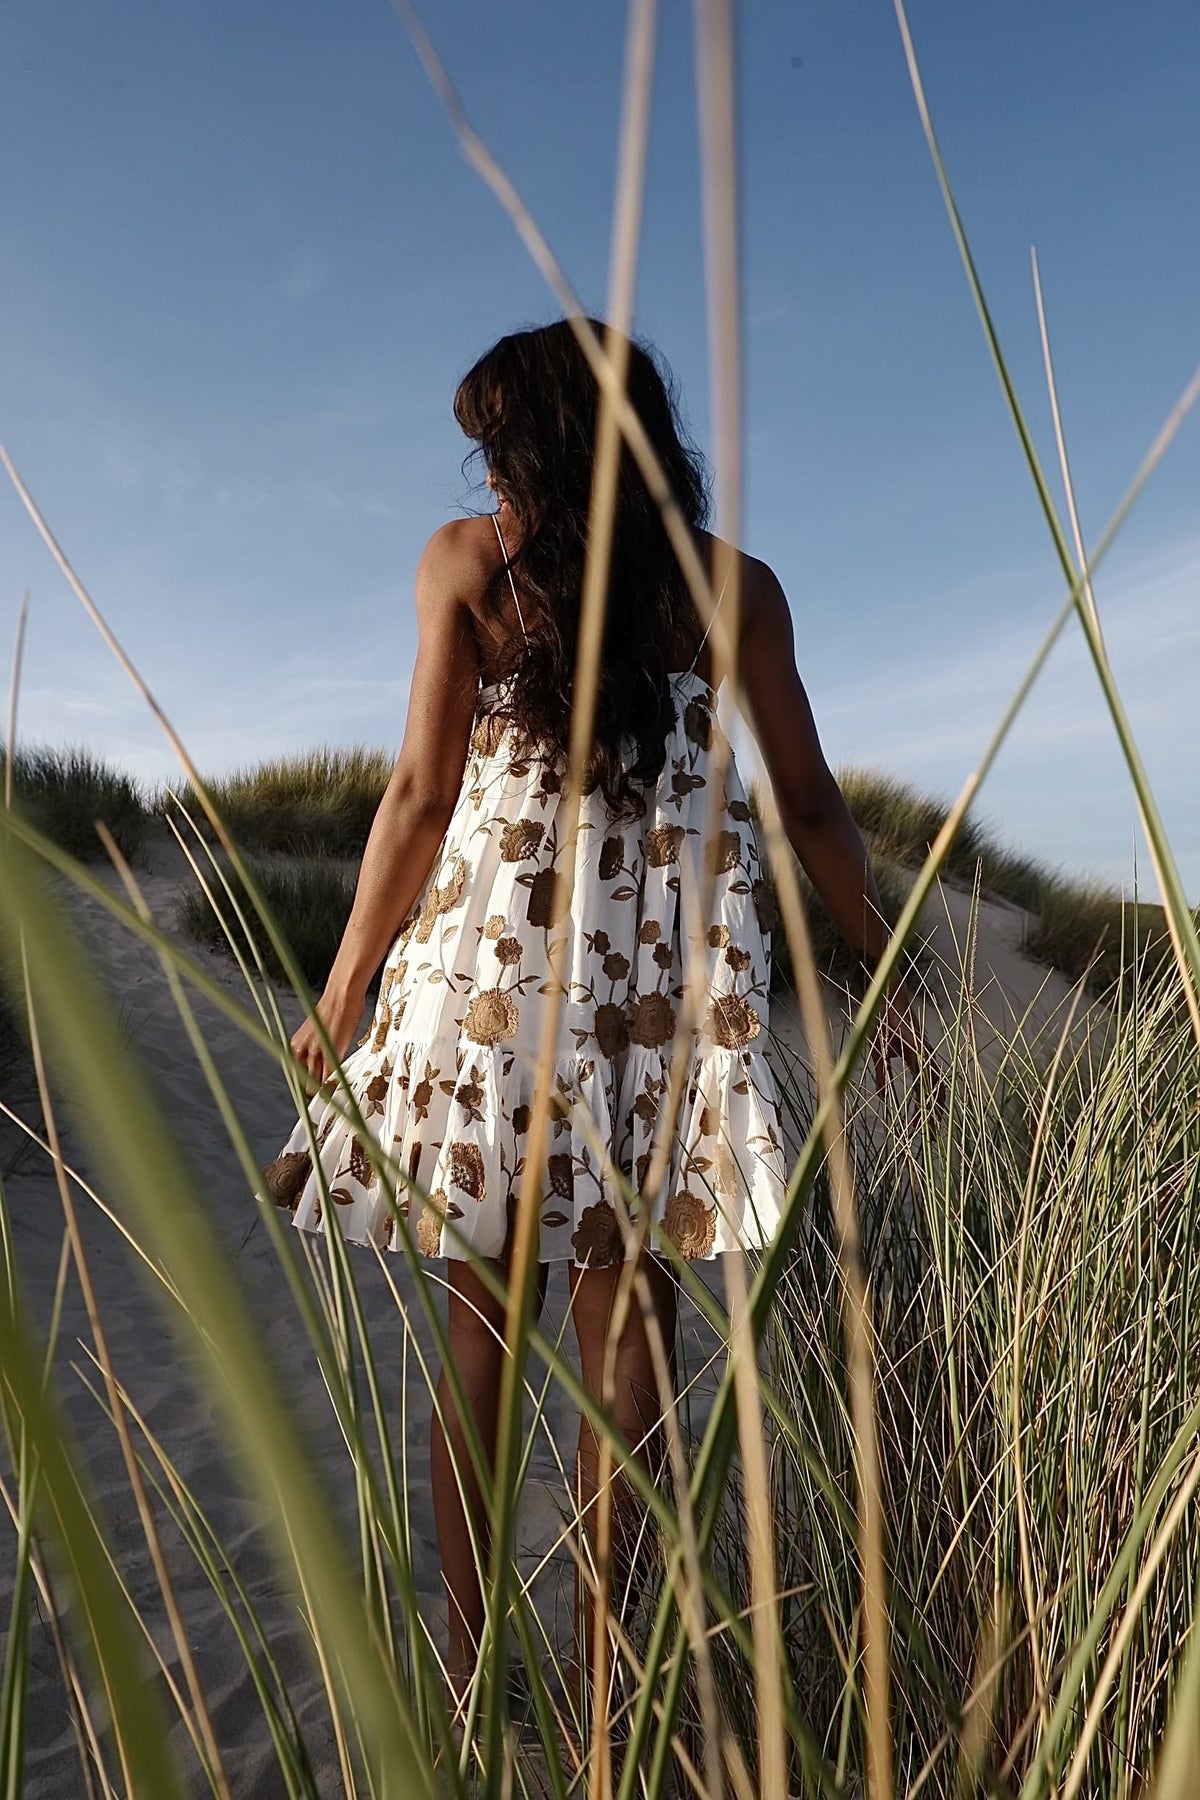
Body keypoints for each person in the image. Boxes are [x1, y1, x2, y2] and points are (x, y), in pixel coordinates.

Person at [262, 318, 917, 1710]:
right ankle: (602, 1676)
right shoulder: (732, 588)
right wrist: (888, 969)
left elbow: (418, 799)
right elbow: (808, 809)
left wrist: (347, 987)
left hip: (492, 1004)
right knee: (629, 1362)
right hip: (651, 1010)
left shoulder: (469, 568)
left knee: (483, 1355)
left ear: (550, 441)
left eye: (503, 445)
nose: (489, 475)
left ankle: (468, 1671)